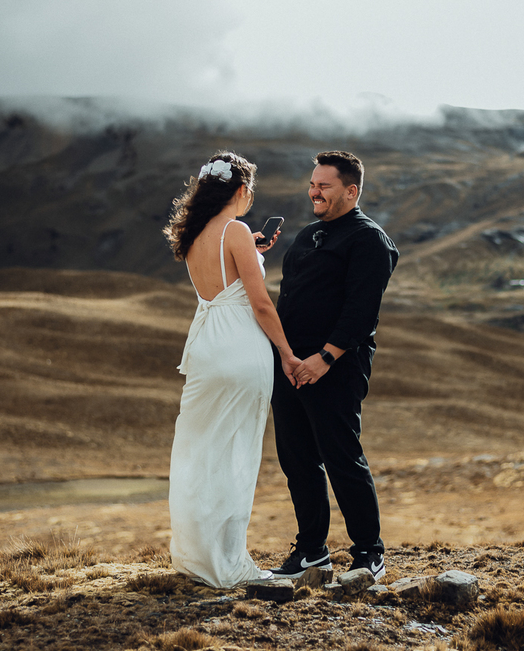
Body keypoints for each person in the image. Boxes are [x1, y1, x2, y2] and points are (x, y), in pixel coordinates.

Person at [162, 151, 301, 588]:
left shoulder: (195, 232)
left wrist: (250, 250)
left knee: (201, 452)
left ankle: (196, 556)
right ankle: (229, 561)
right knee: (236, 453)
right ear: (241, 190)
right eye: (250, 192)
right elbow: (260, 304)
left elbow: (222, 277)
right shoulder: (235, 231)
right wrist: (287, 353)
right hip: (240, 347)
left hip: (207, 347)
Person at [268, 150, 399, 581]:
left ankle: (369, 553)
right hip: (291, 367)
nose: (314, 192)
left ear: (350, 190)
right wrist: (286, 357)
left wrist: (325, 358)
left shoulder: (369, 239)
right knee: (297, 460)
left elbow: (362, 311)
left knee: (342, 457)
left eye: (323, 185)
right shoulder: (308, 235)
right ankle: (312, 552)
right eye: (312, 184)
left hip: (335, 367)